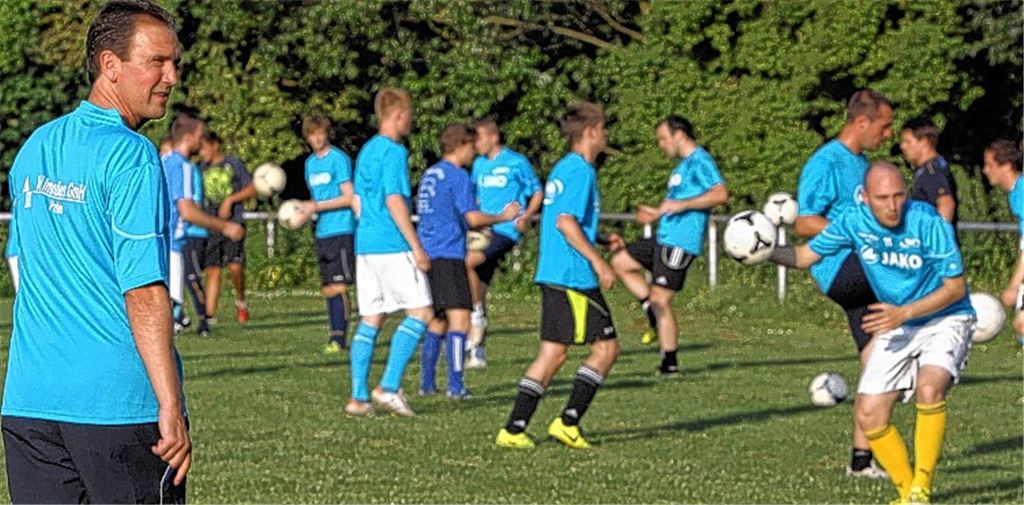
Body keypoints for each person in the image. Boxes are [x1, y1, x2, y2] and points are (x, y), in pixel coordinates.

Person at [1, 1, 191, 501]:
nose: (171, 77)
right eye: (157, 62)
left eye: (175, 64)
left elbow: (19, 261)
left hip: (30, 402)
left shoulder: (35, 148)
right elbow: (143, 290)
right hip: (118, 407)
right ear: (111, 65)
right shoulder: (132, 155)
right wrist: (169, 403)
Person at [768, 162, 975, 505]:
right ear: (864, 198)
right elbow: (805, 256)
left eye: (899, 196)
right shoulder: (853, 220)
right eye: (883, 198)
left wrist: (903, 312)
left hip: (946, 317)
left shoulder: (927, 222)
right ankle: (906, 491)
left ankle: (921, 488)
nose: (893, 206)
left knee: (930, 386)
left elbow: (955, 288)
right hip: (898, 321)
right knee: (868, 413)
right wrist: (763, 251)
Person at [495, 102, 621, 450]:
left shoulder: (564, 168)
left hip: (556, 272)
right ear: (592, 132)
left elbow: (567, 220)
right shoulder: (581, 170)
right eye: (604, 129)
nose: (607, 135)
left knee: (553, 353)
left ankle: (514, 429)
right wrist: (599, 262)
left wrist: (600, 236)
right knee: (607, 348)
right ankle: (567, 422)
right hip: (573, 276)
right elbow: (566, 223)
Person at [795, 89, 894, 478]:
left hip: (860, 272)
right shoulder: (827, 161)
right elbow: (804, 221)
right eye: (884, 127)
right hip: (839, 268)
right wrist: (857, 234)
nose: (887, 135)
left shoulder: (863, 163)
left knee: (877, 365)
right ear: (862, 122)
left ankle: (861, 461)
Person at [612, 115, 729, 376]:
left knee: (661, 300)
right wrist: (655, 213)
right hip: (664, 235)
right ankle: (649, 311)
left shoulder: (700, 161)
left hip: (681, 241)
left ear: (679, 135)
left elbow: (720, 193)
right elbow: (674, 204)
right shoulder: (682, 167)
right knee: (621, 262)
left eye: (663, 139)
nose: (661, 145)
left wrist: (683, 205)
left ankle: (670, 363)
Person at [347, 87, 433, 417]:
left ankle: (357, 398)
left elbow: (359, 199)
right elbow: (394, 200)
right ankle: (388, 387)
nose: (411, 120)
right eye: (409, 114)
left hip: (365, 243)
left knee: (372, 317)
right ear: (398, 115)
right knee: (421, 312)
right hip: (391, 243)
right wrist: (416, 246)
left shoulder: (367, 151)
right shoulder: (394, 152)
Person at [417, 123, 520, 398]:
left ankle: (427, 383)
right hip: (449, 253)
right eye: (471, 148)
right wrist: (503, 216)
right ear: (461, 146)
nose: (474, 154)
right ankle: (456, 386)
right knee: (460, 320)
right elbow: (473, 217)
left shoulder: (431, 173)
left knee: (438, 320)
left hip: (429, 251)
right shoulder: (457, 175)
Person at [465, 119, 543, 368]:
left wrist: (526, 217)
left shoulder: (516, 162)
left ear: (493, 137)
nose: (475, 144)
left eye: (478, 138)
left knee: (468, 262)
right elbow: (474, 195)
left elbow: (537, 191)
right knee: (479, 284)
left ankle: (476, 314)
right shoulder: (478, 165)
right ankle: (478, 351)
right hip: (482, 230)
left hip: (504, 230)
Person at [163, 113, 243, 336]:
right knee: (171, 307)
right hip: (174, 245)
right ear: (189, 137)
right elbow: (187, 211)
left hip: (156, 241)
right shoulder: (185, 167)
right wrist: (225, 226)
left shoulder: (163, 161)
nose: (202, 140)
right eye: (200, 135)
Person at [299, 115, 356, 353]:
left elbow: (349, 196)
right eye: (312, 134)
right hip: (322, 231)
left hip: (341, 228)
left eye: (321, 132)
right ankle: (334, 334)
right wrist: (304, 213)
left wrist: (317, 207)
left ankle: (339, 338)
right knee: (327, 287)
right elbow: (316, 200)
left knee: (339, 284)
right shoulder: (310, 164)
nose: (317, 138)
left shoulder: (338, 159)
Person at [198, 130, 255, 324]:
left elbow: (252, 187)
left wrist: (230, 200)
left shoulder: (234, 164)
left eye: (204, 147)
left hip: (233, 223)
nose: (201, 152)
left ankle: (241, 300)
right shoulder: (200, 168)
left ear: (215, 145)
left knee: (234, 266)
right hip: (212, 224)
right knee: (212, 269)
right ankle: (210, 316)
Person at [981, 140, 1024, 336]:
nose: (984, 170)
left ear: (1006, 166)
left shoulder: (1022, 192)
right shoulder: (1016, 192)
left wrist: (1014, 285)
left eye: (989, 165)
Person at [899, 117, 958, 226]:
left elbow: (946, 204)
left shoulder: (931, 173)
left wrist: (939, 239)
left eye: (908, 141)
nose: (902, 146)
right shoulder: (937, 165)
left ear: (924, 142)